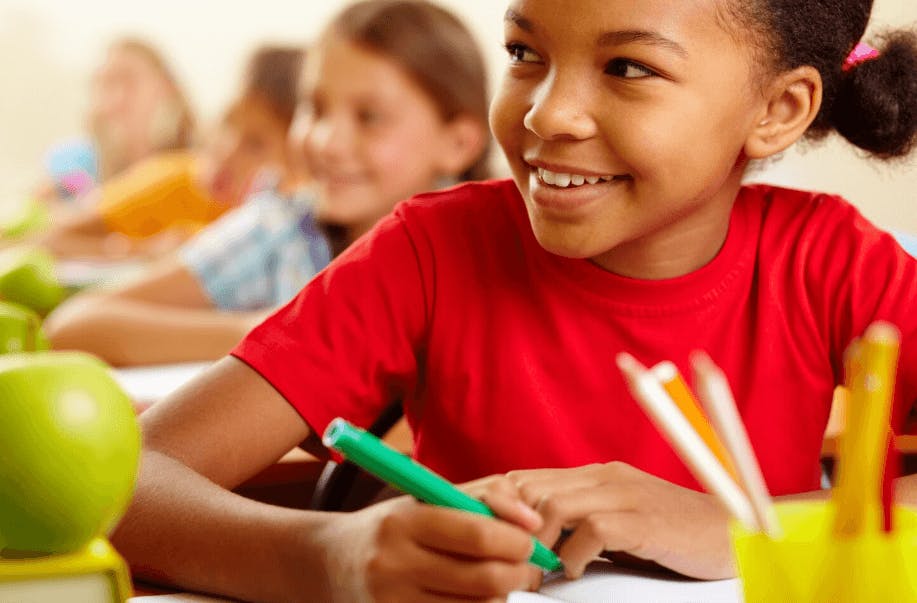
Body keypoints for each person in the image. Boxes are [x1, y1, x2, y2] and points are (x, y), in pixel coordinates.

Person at [111, 0, 917, 601]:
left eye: (627, 68)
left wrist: (745, 527)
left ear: (777, 111)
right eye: (524, 52)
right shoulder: (428, 252)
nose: (544, 112)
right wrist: (330, 555)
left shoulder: (831, 261)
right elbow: (131, 481)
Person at [42, 0, 491, 367]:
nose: (325, 142)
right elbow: (76, 324)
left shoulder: (495, 255)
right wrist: (270, 329)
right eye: (314, 108)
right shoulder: (282, 232)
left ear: (458, 143)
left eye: (369, 117)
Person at [34, 45, 304, 261]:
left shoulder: (294, 225)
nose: (227, 152)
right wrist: (141, 251)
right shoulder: (170, 180)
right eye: (226, 125)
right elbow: (47, 239)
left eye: (255, 144)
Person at [39, 37, 195, 204]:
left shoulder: (199, 166)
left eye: (129, 81)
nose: (117, 99)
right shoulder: (75, 163)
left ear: (166, 87)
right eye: (107, 84)